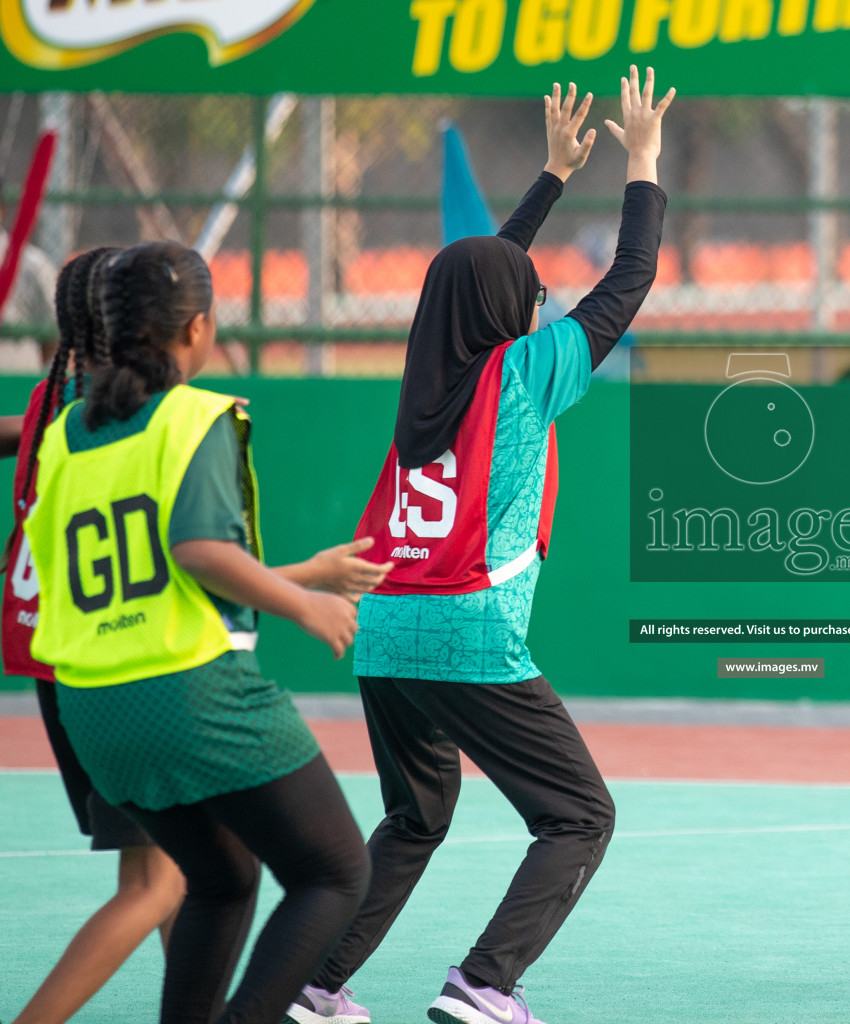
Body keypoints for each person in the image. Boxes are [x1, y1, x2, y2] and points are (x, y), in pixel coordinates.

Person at [285, 69, 672, 1024]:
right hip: (468, 634)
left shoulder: (425, 379)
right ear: (509, 315)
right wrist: (644, 164)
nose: (541, 304)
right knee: (579, 816)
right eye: (532, 296)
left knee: (415, 816)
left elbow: (472, 277)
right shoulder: (527, 372)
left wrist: (547, 176)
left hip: (384, 636)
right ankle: (485, 982)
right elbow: (628, 281)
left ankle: (313, 982)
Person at [24, 240, 387, 1024]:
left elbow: (156, 577)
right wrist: (307, 605)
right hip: (190, 695)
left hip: (92, 709)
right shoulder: (195, 416)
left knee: (222, 881)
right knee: (335, 872)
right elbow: (198, 553)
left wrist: (307, 575)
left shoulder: (65, 438)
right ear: (196, 329)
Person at [4, 246, 190, 1024]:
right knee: (162, 882)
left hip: (53, 657)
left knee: (191, 870)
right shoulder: (116, 410)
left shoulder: (57, 400)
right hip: (109, 667)